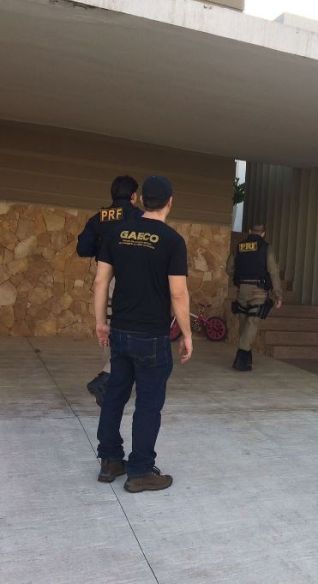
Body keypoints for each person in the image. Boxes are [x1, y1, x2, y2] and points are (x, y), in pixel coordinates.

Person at [93, 175, 192, 492]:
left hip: (120, 331)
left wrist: (101, 322)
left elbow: (101, 281)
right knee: (148, 404)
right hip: (152, 337)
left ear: (141, 200)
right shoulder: (173, 241)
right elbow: (178, 293)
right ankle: (140, 470)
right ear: (170, 202)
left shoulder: (116, 233)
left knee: (115, 395)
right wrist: (187, 334)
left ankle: (110, 460)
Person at [76, 175, 143, 406]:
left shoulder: (99, 218)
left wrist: (101, 245)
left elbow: (82, 248)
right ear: (133, 196)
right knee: (131, 332)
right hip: (129, 281)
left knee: (108, 326)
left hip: (104, 280)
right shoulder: (138, 217)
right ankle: (106, 378)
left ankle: (110, 387)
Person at [226, 224, 283, 371]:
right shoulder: (266, 248)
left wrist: (239, 277)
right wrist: (277, 294)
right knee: (252, 322)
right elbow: (273, 271)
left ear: (250, 231)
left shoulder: (239, 247)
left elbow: (229, 268)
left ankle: (246, 356)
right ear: (263, 234)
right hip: (258, 290)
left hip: (242, 289)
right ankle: (241, 357)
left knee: (244, 321)